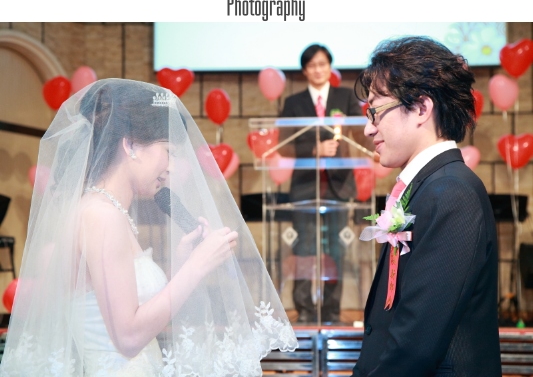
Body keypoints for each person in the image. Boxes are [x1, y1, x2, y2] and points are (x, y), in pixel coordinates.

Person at [0, 79, 297, 375]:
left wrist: (183, 263)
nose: (170, 166)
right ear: (130, 145)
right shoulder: (101, 216)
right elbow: (128, 338)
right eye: (167, 150)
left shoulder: (107, 211)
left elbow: (134, 309)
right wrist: (197, 265)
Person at [352, 37, 500, 377]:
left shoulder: (451, 193)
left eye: (375, 111)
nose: (368, 128)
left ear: (421, 107)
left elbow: (416, 344)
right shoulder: (428, 186)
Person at [279, 44, 361, 324]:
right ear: (305, 70)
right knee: (304, 247)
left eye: (322, 64)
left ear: (330, 67)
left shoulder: (345, 97)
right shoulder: (293, 103)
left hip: (338, 185)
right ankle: (303, 307)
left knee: (336, 249)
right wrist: (315, 149)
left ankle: (331, 308)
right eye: (312, 65)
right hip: (305, 185)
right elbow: (284, 145)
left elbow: (360, 133)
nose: (318, 70)